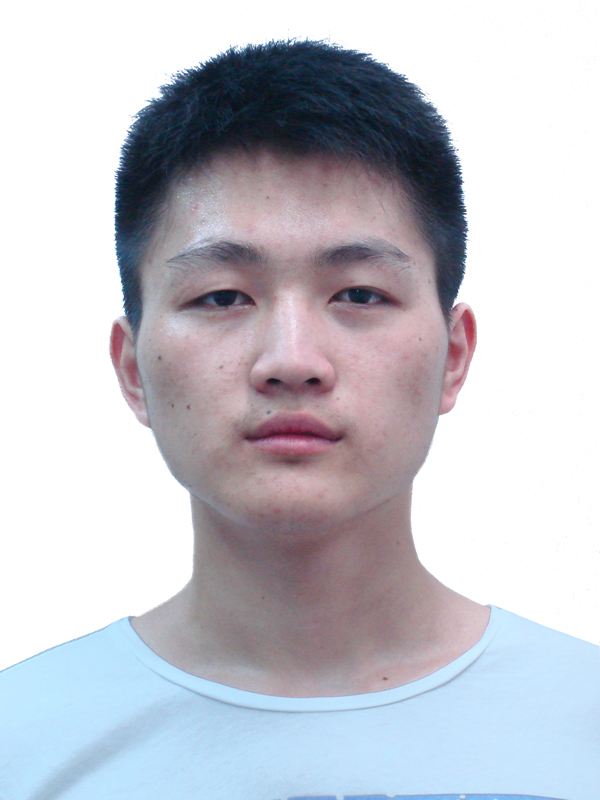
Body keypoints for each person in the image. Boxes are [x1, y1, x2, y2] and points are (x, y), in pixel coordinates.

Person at [0, 40, 597, 800]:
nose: (291, 360)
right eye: (222, 296)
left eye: (358, 294)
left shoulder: (581, 724)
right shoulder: (20, 743)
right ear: (132, 370)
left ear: (453, 356)